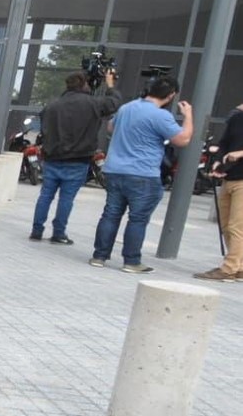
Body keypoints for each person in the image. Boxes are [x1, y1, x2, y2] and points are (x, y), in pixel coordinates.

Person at [89, 77, 192, 273]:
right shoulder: (161, 116)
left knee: (110, 214)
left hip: (115, 170)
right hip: (143, 174)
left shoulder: (127, 107)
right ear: (171, 95)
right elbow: (183, 139)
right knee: (137, 218)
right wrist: (188, 115)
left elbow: (111, 127)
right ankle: (131, 261)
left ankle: (99, 256)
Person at [31, 70, 121, 245]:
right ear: (85, 84)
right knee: (66, 198)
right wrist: (110, 84)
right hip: (78, 159)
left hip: (52, 158)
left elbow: (44, 129)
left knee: (45, 195)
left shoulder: (53, 105)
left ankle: (36, 230)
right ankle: (59, 233)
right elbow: (114, 103)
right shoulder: (92, 104)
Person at [194, 98, 243, 282]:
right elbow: (224, 143)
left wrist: (240, 153)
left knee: (237, 226)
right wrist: (218, 159)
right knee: (226, 224)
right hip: (228, 176)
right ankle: (239, 265)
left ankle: (229, 268)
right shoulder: (237, 118)